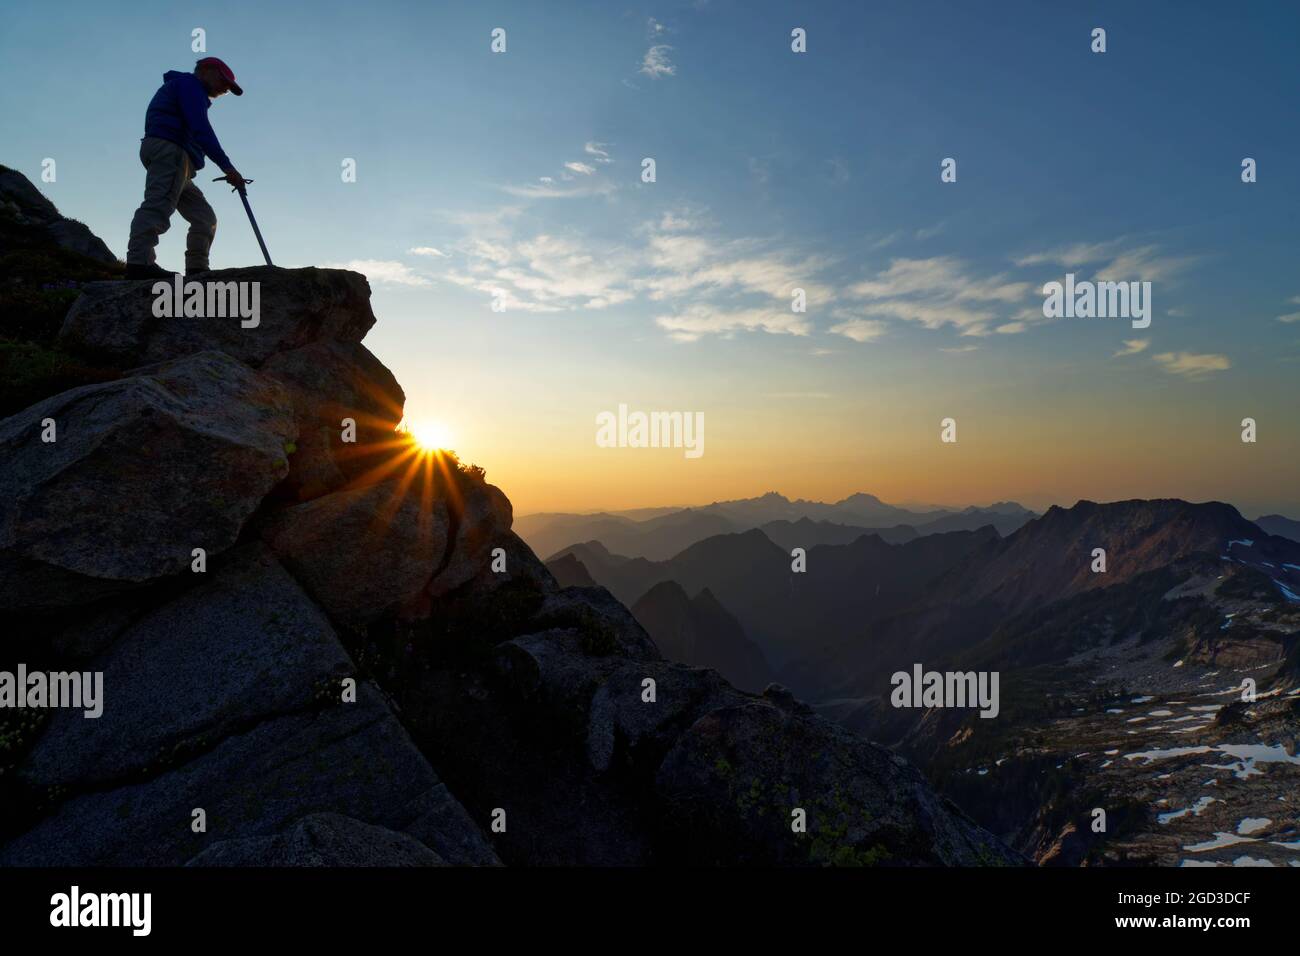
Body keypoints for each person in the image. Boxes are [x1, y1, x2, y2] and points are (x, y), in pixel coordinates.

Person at [124, 57, 248, 279]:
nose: (224, 89)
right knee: (158, 204)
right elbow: (201, 129)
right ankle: (139, 264)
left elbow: (198, 130)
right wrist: (228, 168)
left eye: (228, 88)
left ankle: (197, 269)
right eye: (224, 81)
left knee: (205, 218)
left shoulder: (186, 88)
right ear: (206, 70)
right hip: (172, 151)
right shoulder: (190, 86)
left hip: (178, 161)